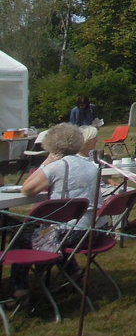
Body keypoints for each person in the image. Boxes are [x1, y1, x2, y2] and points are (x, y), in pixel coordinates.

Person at [12, 123, 102, 300]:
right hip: (90, 232)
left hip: (65, 233)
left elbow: (27, 189)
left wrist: (46, 162)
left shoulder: (56, 166)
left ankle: (20, 288)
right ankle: (73, 271)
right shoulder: (92, 166)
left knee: (20, 235)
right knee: (49, 233)